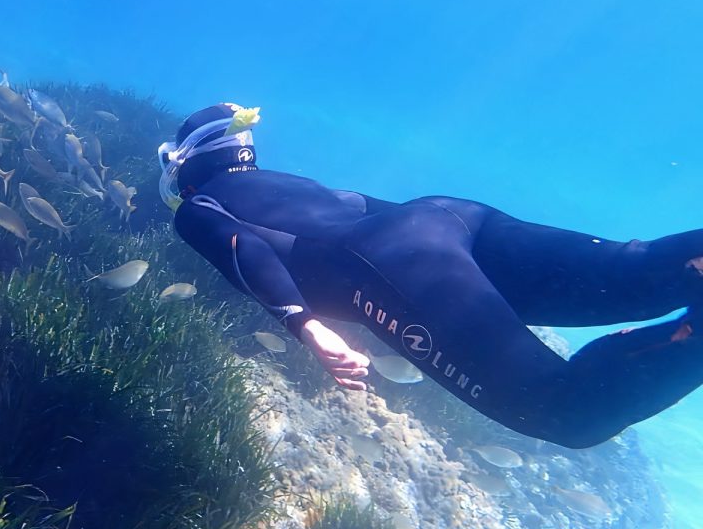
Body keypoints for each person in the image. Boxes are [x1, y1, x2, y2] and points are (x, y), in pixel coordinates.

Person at [159, 102, 703, 449]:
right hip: (449, 216)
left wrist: (305, 325)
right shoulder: (279, 182)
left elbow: (237, 247)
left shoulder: (199, 205)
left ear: (184, 163)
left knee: (568, 414)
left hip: (393, 263)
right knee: (635, 276)